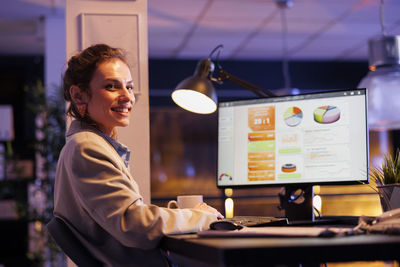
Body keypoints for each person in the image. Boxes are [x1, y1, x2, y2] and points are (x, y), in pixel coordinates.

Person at [53, 43, 223, 267]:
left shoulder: (92, 145)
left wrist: (185, 213)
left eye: (130, 87)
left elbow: (129, 216)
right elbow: (135, 226)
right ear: (79, 96)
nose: (127, 97)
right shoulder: (87, 148)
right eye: (112, 86)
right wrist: (203, 217)